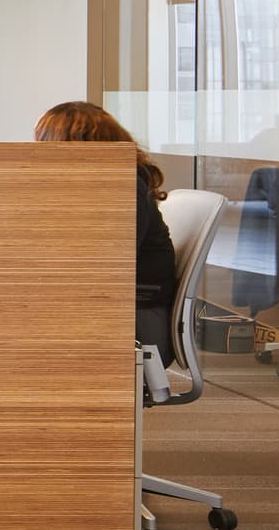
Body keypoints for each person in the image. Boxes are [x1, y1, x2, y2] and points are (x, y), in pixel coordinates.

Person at [32, 102, 178, 358]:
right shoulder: (90, 190)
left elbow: (102, 265)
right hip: (112, 307)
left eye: (44, 141)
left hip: (134, 320)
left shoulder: (123, 189)